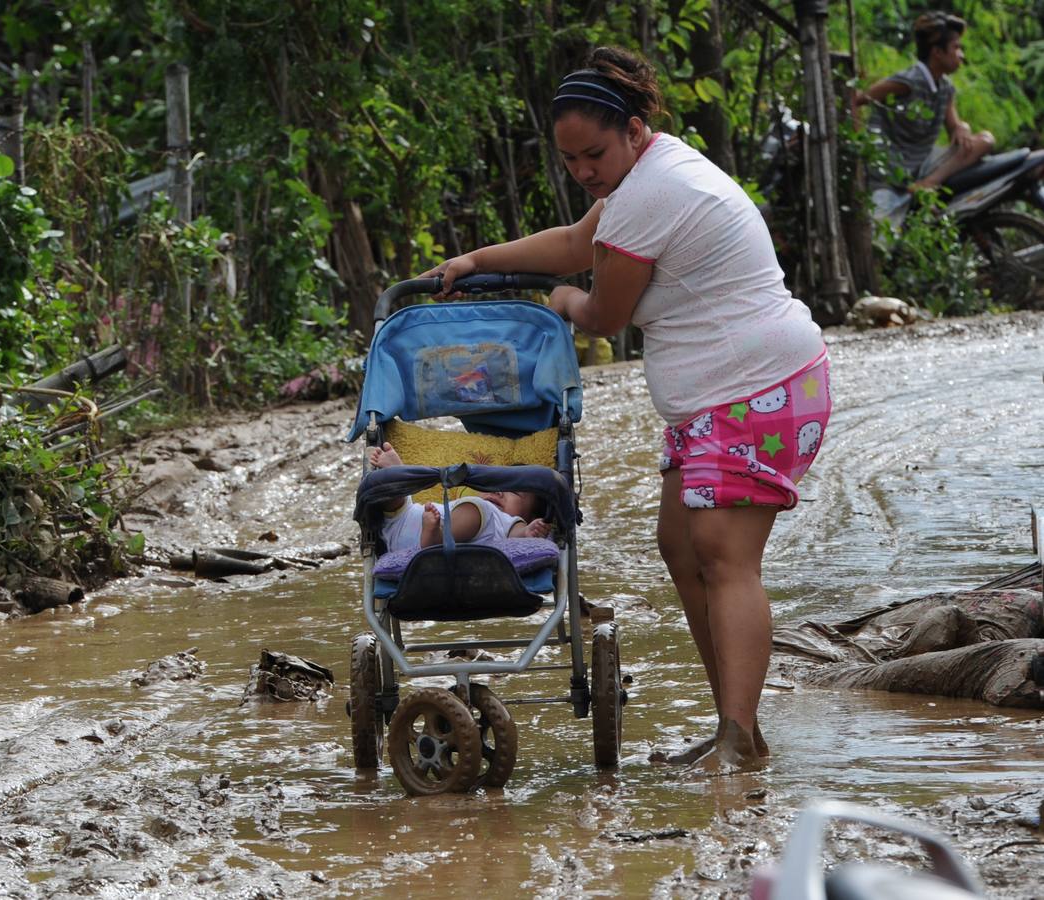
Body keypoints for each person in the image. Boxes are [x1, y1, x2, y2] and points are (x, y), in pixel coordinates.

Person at [423, 46, 832, 770]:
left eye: (594, 154)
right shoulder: (646, 173)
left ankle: (737, 740)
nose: (583, 170)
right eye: (571, 160)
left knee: (724, 558)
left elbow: (605, 313)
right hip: (721, 394)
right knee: (680, 546)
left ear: (635, 130)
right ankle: (735, 730)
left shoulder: (652, 189)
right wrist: (478, 260)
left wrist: (561, 302)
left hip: (753, 388)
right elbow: (580, 242)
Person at [852, 11, 995, 220]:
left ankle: (928, 184)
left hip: (921, 166)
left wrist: (961, 127)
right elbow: (856, 100)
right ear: (937, 51)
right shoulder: (907, 81)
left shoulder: (945, 87)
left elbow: (953, 124)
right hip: (888, 176)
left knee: (985, 140)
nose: (961, 55)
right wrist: (861, 148)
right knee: (881, 246)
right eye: (956, 47)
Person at [368, 442, 551, 551]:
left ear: (531, 517)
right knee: (393, 499)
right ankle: (398, 477)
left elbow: (518, 533)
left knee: (482, 510)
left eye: (514, 491)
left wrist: (529, 532)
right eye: (494, 483)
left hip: (424, 538)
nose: (498, 491)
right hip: (403, 521)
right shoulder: (479, 507)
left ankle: (437, 539)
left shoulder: (506, 523)